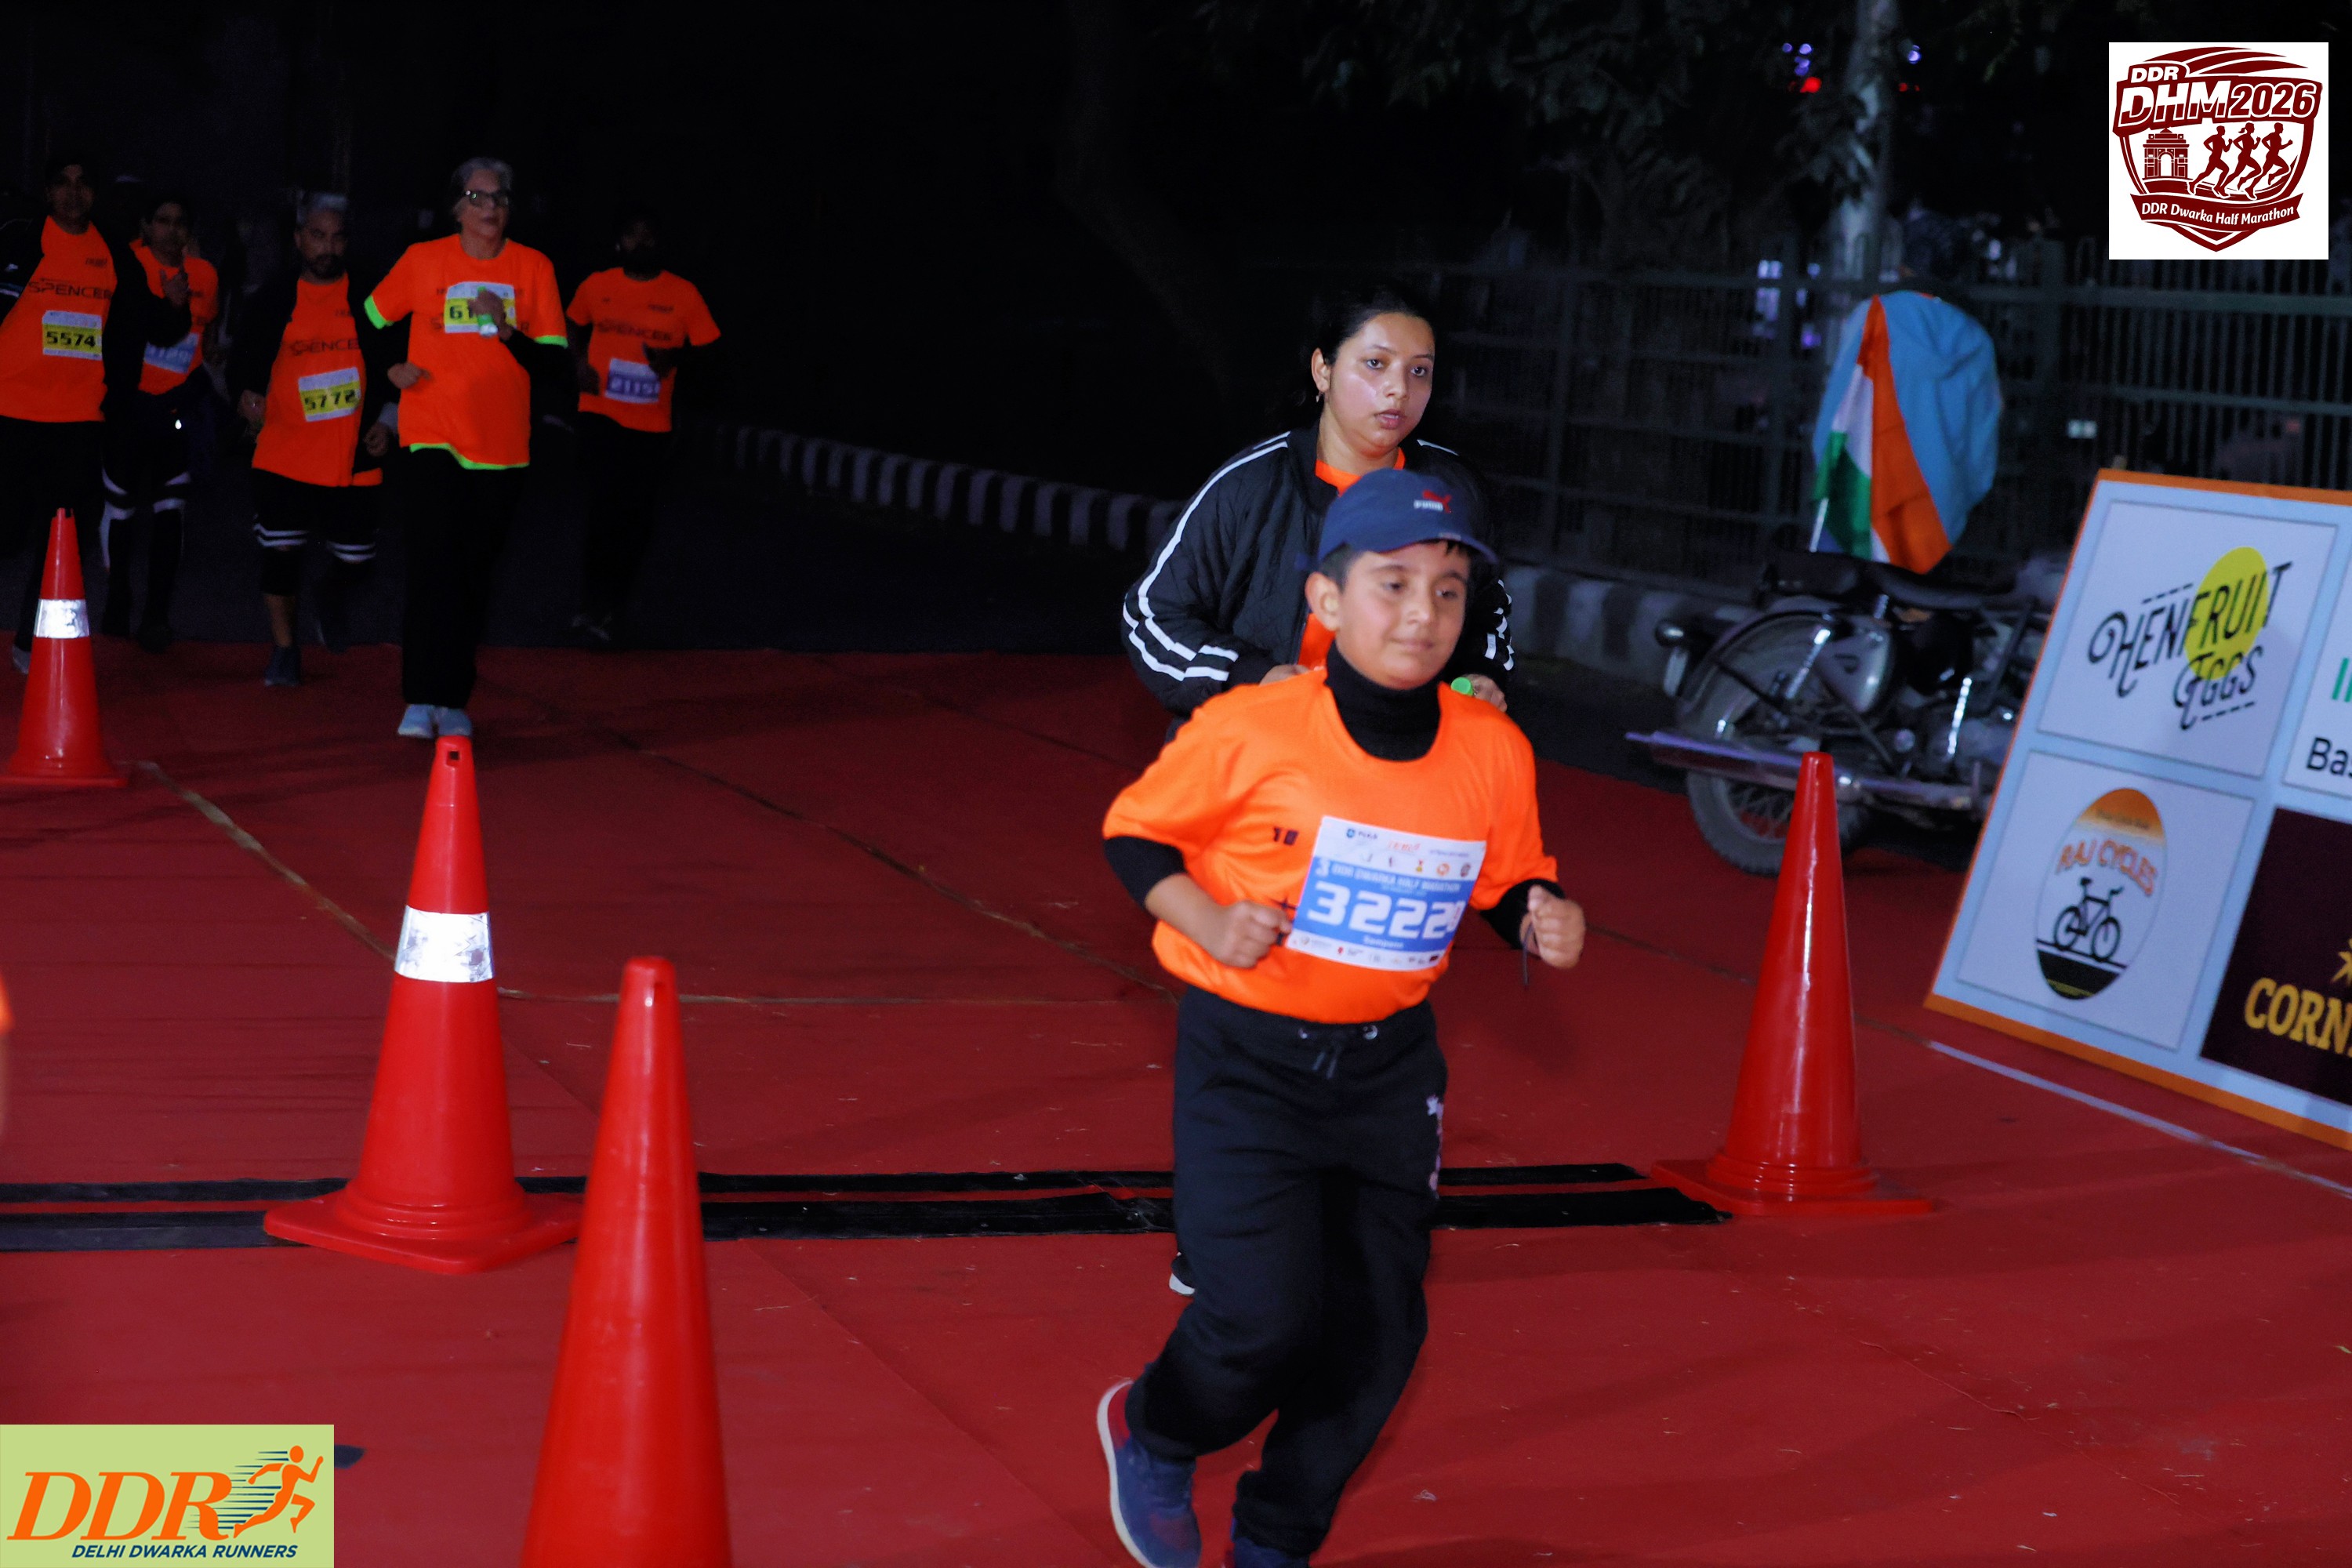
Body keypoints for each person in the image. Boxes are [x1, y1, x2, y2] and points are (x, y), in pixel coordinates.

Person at [1094, 469, 1585, 1568]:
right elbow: (1136, 834)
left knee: (1378, 1335)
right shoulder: (1253, 727)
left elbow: (1504, 875)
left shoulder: (1491, 747)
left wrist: (1538, 912)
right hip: (1248, 1061)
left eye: (1448, 592)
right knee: (1260, 1318)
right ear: (1325, 600)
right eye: (1392, 584)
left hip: (1388, 1074)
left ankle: (1276, 1539)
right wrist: (1207, 920)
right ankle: (1156, 1430)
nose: (1422, 615)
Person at [1120, 289, 1515, 726]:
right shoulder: (1252, 485)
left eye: (1419, 370)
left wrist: (1482, 673)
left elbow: (1486, 608)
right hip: (1262, 744)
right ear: (1323, 370)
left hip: (1396, 748)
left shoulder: (1454, 491)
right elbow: (1151, 615)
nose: (1399, 389)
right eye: (1375, 363)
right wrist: (1251, 676)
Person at [363, 156, 569, 738]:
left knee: (473, 575)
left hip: (501, 449)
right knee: (433, 566)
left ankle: (452, 699)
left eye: (500, 198)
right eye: (478, 198)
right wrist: (390, 368)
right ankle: (419, 697)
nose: (491, 208)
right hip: (433, 437)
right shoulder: (423, 260)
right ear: (457, 208)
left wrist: (506, 330)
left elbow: (553, 364)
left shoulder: (534, 268)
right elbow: (369, 322)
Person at [0, 155, 190, 672]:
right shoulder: (18, 239)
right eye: (62, 183)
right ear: (47, 191)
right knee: (8, 531)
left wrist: (175, 306)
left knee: (60, 536)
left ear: (95, 193)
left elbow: (151, 323)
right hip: (11, 413)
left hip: (79, 421)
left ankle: (30, 642)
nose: (73, 193)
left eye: (83, 184)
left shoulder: (112, 254)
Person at [228, 192, 394, 688]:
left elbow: (399, 361)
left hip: (354, 452)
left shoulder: (372, 297)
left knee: (357, 559)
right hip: (285, 451)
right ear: (300, 239)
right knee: (280, 556)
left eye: (338, 237)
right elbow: (242, 368)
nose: (328, 247)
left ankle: (331, 593)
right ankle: (285, 650)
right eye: (318, 236)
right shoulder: (272, 299)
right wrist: (245, 397)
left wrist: (389, 421)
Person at [565, 204, 720, 646]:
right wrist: (578, 362)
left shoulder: (684, 294)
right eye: (632, 234)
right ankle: (590, 603)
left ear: (661, 243)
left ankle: (615, 608)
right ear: (619, 243)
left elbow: (709, 348)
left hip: (650, 424)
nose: (641, 242)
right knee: (601, 509)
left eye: (648, 235)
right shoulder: (597, 285)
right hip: (600, 413)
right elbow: (571, 322)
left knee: (633, 517)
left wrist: (674, 359)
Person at [98, 190, 220, 651]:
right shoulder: (125, 266)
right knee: (121, 511)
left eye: (180, 222)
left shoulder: (205, 274)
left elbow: (206, 340)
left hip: (176, 411)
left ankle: (156, 616)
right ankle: (118, 600)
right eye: (162, 221)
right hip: (129, 410)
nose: (171, 230)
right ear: (146, 226)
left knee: (171, 511)